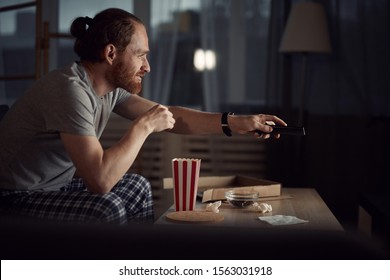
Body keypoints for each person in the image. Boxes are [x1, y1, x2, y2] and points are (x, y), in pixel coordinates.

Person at [0, 8, 287, 225]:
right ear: (111, 53)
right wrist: (143, 126)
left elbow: (172, 117)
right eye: (141, 55)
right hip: (14, 195)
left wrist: (234, 122)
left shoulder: (107, 88)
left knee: (136, 186)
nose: (147, 67)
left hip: (51, 188)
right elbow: (99, 181)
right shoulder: (70, 90)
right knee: (108, 206)